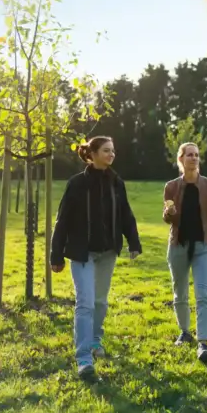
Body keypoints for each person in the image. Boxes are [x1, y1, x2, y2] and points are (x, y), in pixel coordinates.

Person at [50, 136, 142, 380]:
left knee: (100, 302)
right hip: (82, 253)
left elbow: (126, 214)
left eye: (113, 150)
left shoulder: (116, 182)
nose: (111, 155)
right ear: (92, 154)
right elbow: (63, 219)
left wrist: (134, 241)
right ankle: (84, 359)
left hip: (108, 252)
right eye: (106, 151)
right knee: (86, 303)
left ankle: (94, 340)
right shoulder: (77, 183)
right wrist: (55, 254)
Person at [163, 142, 207, 362]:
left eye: (196, 155)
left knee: (203, 294)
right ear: (180, 159)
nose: (194, 158)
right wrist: (169, 213)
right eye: (189, 155)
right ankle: (185, 332)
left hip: (203, 247)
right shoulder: (171, 187)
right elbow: (169, 219)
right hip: (178, 245)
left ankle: (204, 342)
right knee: (180, 291)